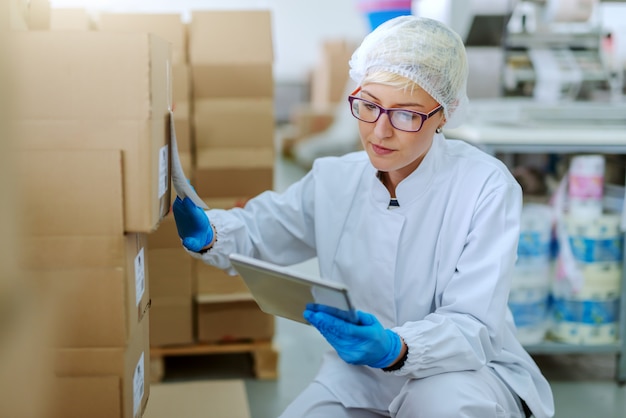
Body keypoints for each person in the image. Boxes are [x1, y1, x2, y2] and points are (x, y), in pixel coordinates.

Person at [173, 16, 555, 418]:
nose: (379, 132)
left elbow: (473, 324)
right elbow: (263, 230)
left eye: (406, 114)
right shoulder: (336, 178)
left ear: (444, 113)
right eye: (369, 105)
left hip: (461, 373)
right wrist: (213, 232)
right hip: (359, 375)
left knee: (443, 406)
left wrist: (396, 348)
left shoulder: (484, 186)